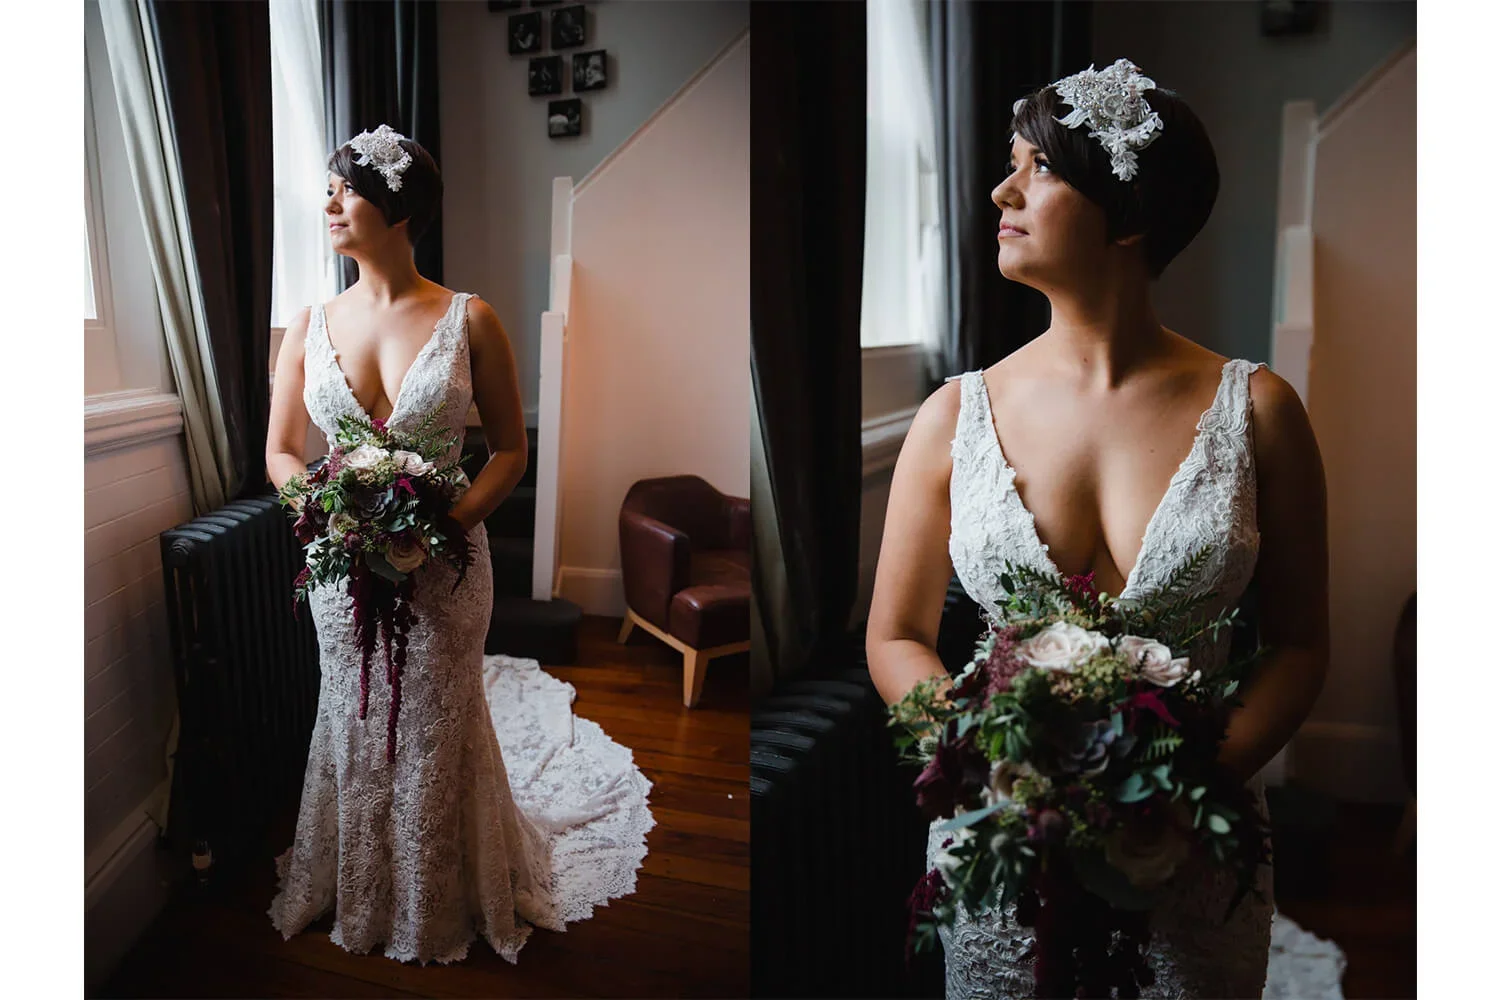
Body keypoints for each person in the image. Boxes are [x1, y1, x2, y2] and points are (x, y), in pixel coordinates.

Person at [865, 62, 1331, 998]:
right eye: (1011, 165)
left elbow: (1299, 644)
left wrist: (1179, 786)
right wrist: (992, 752)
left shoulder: (1261, 413)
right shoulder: (953, 416)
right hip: (1006, 829)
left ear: (1130, 211)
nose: (1001, 190)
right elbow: (897, 635)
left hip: (1191, 839)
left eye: (1039, 168)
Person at [263, 124, 654, 965]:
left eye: (348, 189)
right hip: (342, 573)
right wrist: (326, 512)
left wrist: (443, 529)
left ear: (399, 210)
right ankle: (361, 881)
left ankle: (439, 894)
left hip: (444, 567)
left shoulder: (470, 318)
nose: (328, 204)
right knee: (356, 716)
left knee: (436, 720)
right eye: (328, 190)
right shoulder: (308, 324)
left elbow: (511, 449)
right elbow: (281, 448)